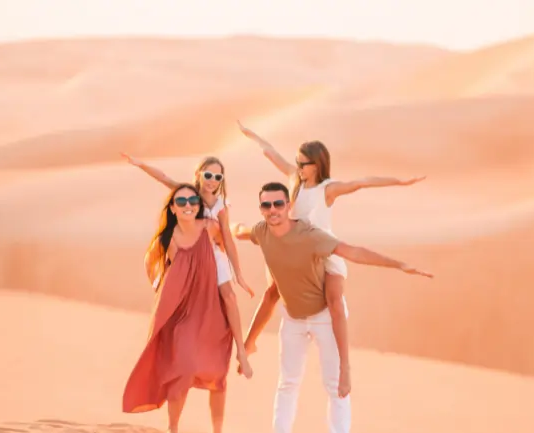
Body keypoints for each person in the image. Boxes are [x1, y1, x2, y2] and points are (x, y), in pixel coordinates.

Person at [236, 120, 425, 399]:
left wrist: (399, 182)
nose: (298, 166)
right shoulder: (293, 181)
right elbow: (270, 152)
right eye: (297, 161)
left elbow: (361, 183)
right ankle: (248, 344)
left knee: (335, 302)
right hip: (294, 252)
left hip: (325, 252)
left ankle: (344, 368)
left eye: (303, 163)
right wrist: (251, 134)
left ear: (317, 164)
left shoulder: (327, 189)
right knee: (271, 293)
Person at [232, 182, 432, 433]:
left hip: (323, 317)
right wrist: (220, 221)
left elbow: (354, 252)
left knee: (336, 386)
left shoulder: (310, 236)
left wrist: (399, 265)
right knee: (287, 384)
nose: (273, 210)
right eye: (266, 205)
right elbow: (239, 230)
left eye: (278, 204)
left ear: (289, 206)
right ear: (261, 209)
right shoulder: (261, 232)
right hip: (293, 320)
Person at [122, 183, 252, 433]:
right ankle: (173, 428)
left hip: (210, 308)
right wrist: (160, 284)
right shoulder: (167, 237)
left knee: (216, 371)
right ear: (172, 208)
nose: (188, 206)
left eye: (192, 201)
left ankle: (218, 430)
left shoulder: (210, 227)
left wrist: (227, 273)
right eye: (181, 202)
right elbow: (149, 261)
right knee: (183, 367)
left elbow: (224, 247)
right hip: (180, 312)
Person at [120, 153, 255, 298]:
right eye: (208, 175)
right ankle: (161, 294)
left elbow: (227, 239)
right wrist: (141, 164)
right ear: (198, 174)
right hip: (184, 248)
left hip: (209, 255)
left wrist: (238, 274)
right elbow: (163, 178)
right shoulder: (188, 193)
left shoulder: (220, 206)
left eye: (218, 177)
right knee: (152, 257)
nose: (213, 181)